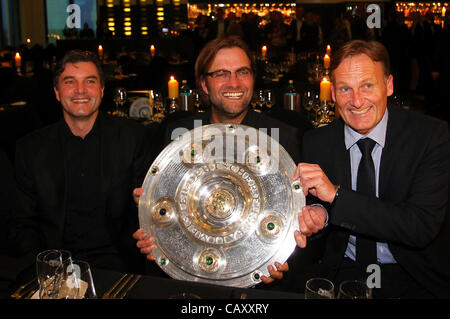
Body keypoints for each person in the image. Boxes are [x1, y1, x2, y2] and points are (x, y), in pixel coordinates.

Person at [133, 36, 314, 286]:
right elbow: (162, 211)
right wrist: (149, 208)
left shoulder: (283, 138)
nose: (234, 83)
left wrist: (286, 258)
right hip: (193, 279)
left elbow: (298, 221)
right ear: (204, 85)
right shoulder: (180, 134)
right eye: (221, 74)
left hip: (258, 283)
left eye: (242, 72)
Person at [293, 40, 450, 298]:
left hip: (411, 272)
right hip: (342, 269)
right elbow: (315, 219)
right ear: (333, 94)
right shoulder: (316, 141)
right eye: (345, 89)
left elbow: (419, 227)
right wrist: (318, 215)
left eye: (367, 85)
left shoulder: (430, 137)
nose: (356, 101)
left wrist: (335, 196)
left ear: (388, 85)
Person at [8, 50, 152, 273]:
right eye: (70, 82)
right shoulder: (30, 149)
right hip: (54, 268)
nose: (81, 91)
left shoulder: (133, 138)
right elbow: (22, 224)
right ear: (57, 92)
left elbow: (146, 210)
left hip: (120, 267)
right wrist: (43, 270)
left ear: (102, 90)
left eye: (90, 81)